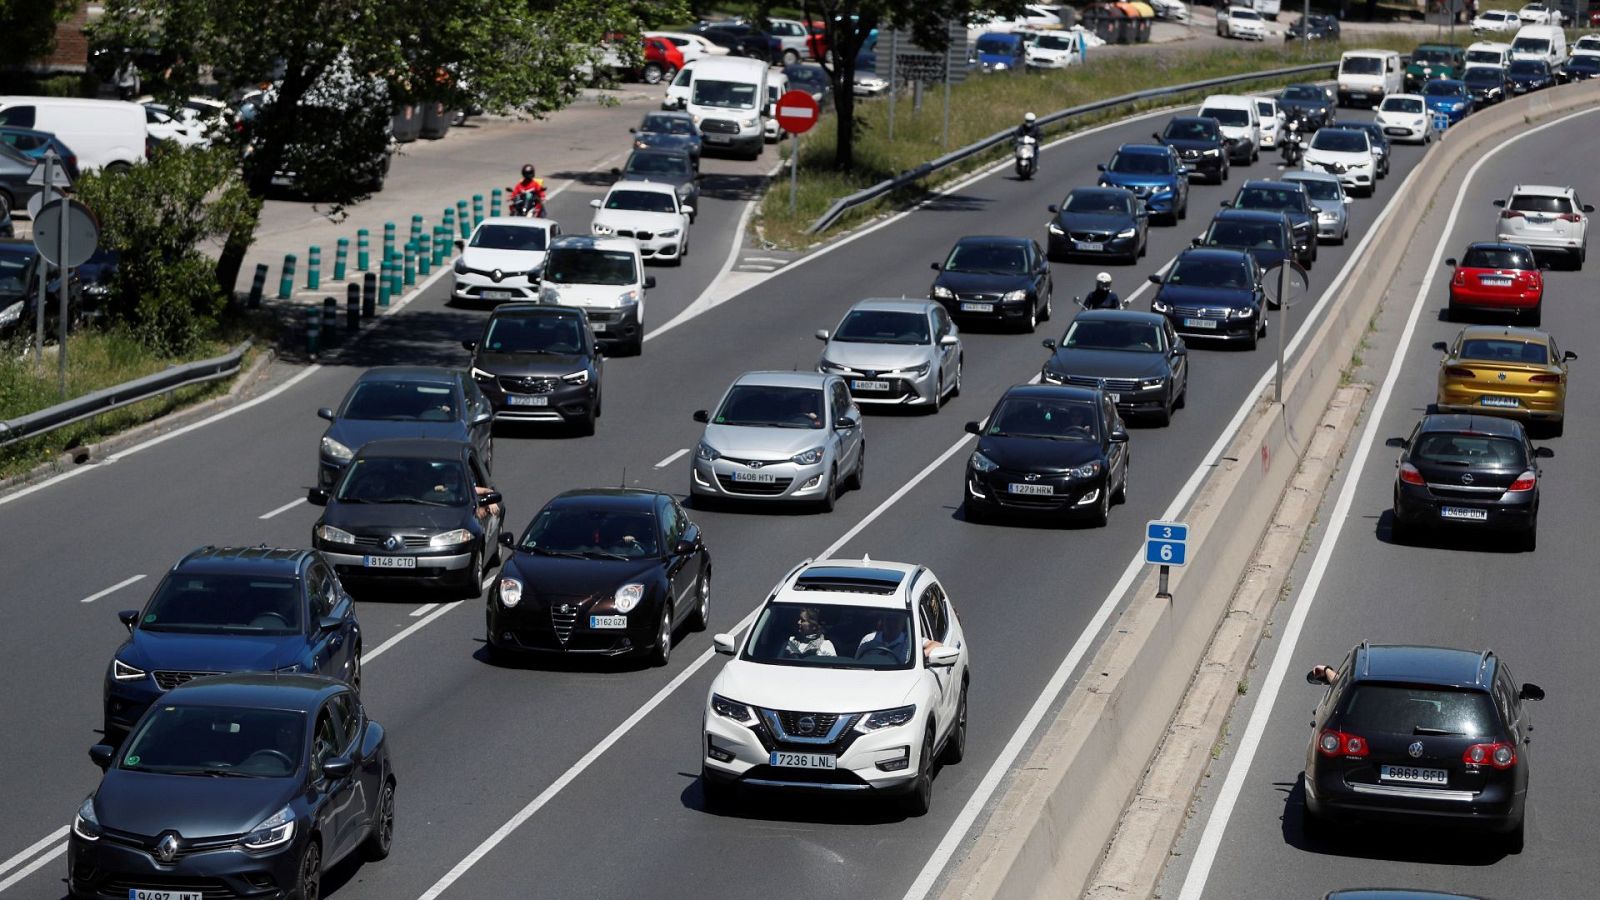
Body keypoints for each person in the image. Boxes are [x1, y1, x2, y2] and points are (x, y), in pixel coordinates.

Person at [855, 614, 942, 665]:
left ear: (903, 623)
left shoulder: (910, 641)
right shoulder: (868, 640)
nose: (892, 624)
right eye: (889, 620)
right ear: (883, 621)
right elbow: (857, 662)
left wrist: (920, 655)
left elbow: (937, 645)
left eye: (896, 621)